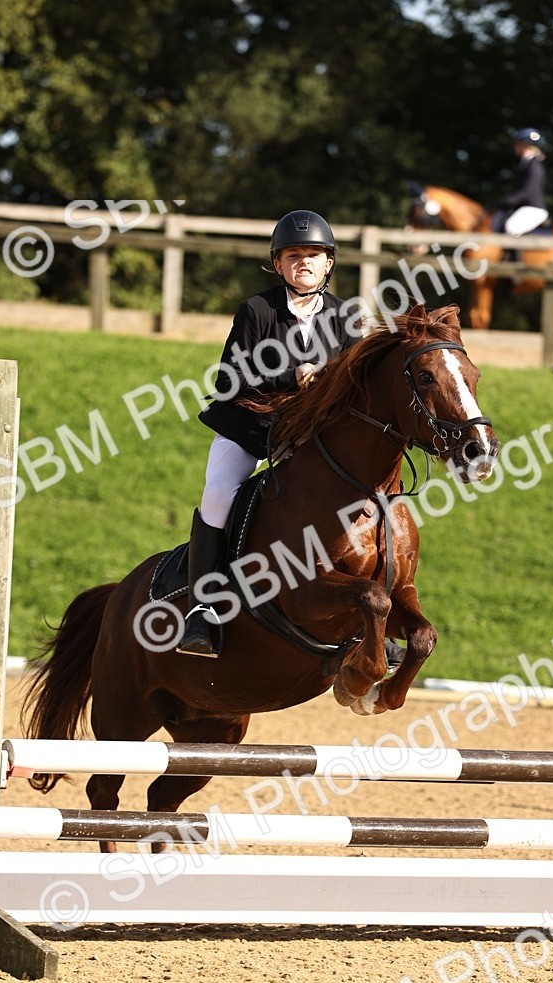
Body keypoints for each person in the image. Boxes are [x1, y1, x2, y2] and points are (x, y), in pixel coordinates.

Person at [176, 208, 364, 658]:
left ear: (329, 262)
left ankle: (373, 617)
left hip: (315, 441)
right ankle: (201, 608)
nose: (304, 262)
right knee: (219, 491)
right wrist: (288, 377)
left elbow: (360, 384)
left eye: (313, 255)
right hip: (251, 430)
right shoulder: (257, 311)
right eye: (293, 255)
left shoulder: (347, 316)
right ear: (277, 265)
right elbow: (229, 380)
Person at [491, 128, 549, 236]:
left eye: (517, 143)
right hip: (525, 207)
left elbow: (528, 190)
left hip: (533, 208)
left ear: (524, 145)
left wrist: (510, 200)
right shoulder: (525, 164)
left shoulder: (534, 165)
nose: (515, 147)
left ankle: (510, 254)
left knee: (511, 227)